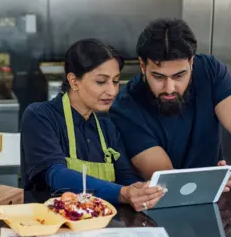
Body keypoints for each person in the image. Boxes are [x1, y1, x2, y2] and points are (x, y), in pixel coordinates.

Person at [109, 18, 231, 192]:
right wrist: (208, 182)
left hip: (213, 198)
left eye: (179, 76)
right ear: (143, 66)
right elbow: (164, 176)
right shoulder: (126, 106)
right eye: (158, 77)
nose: (169, 88)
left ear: (192, 63)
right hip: (157, 206)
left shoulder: (210, 71)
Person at [20, 38, 166, 211]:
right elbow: (56, 176)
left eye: (116, 81)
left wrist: (141, 191)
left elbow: (125, 175)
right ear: (74, 81)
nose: (112, 91)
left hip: (99, 225)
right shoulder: (40, 116)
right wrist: (122, 193)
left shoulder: (107, 126)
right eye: (101, 81)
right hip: (50, 224)